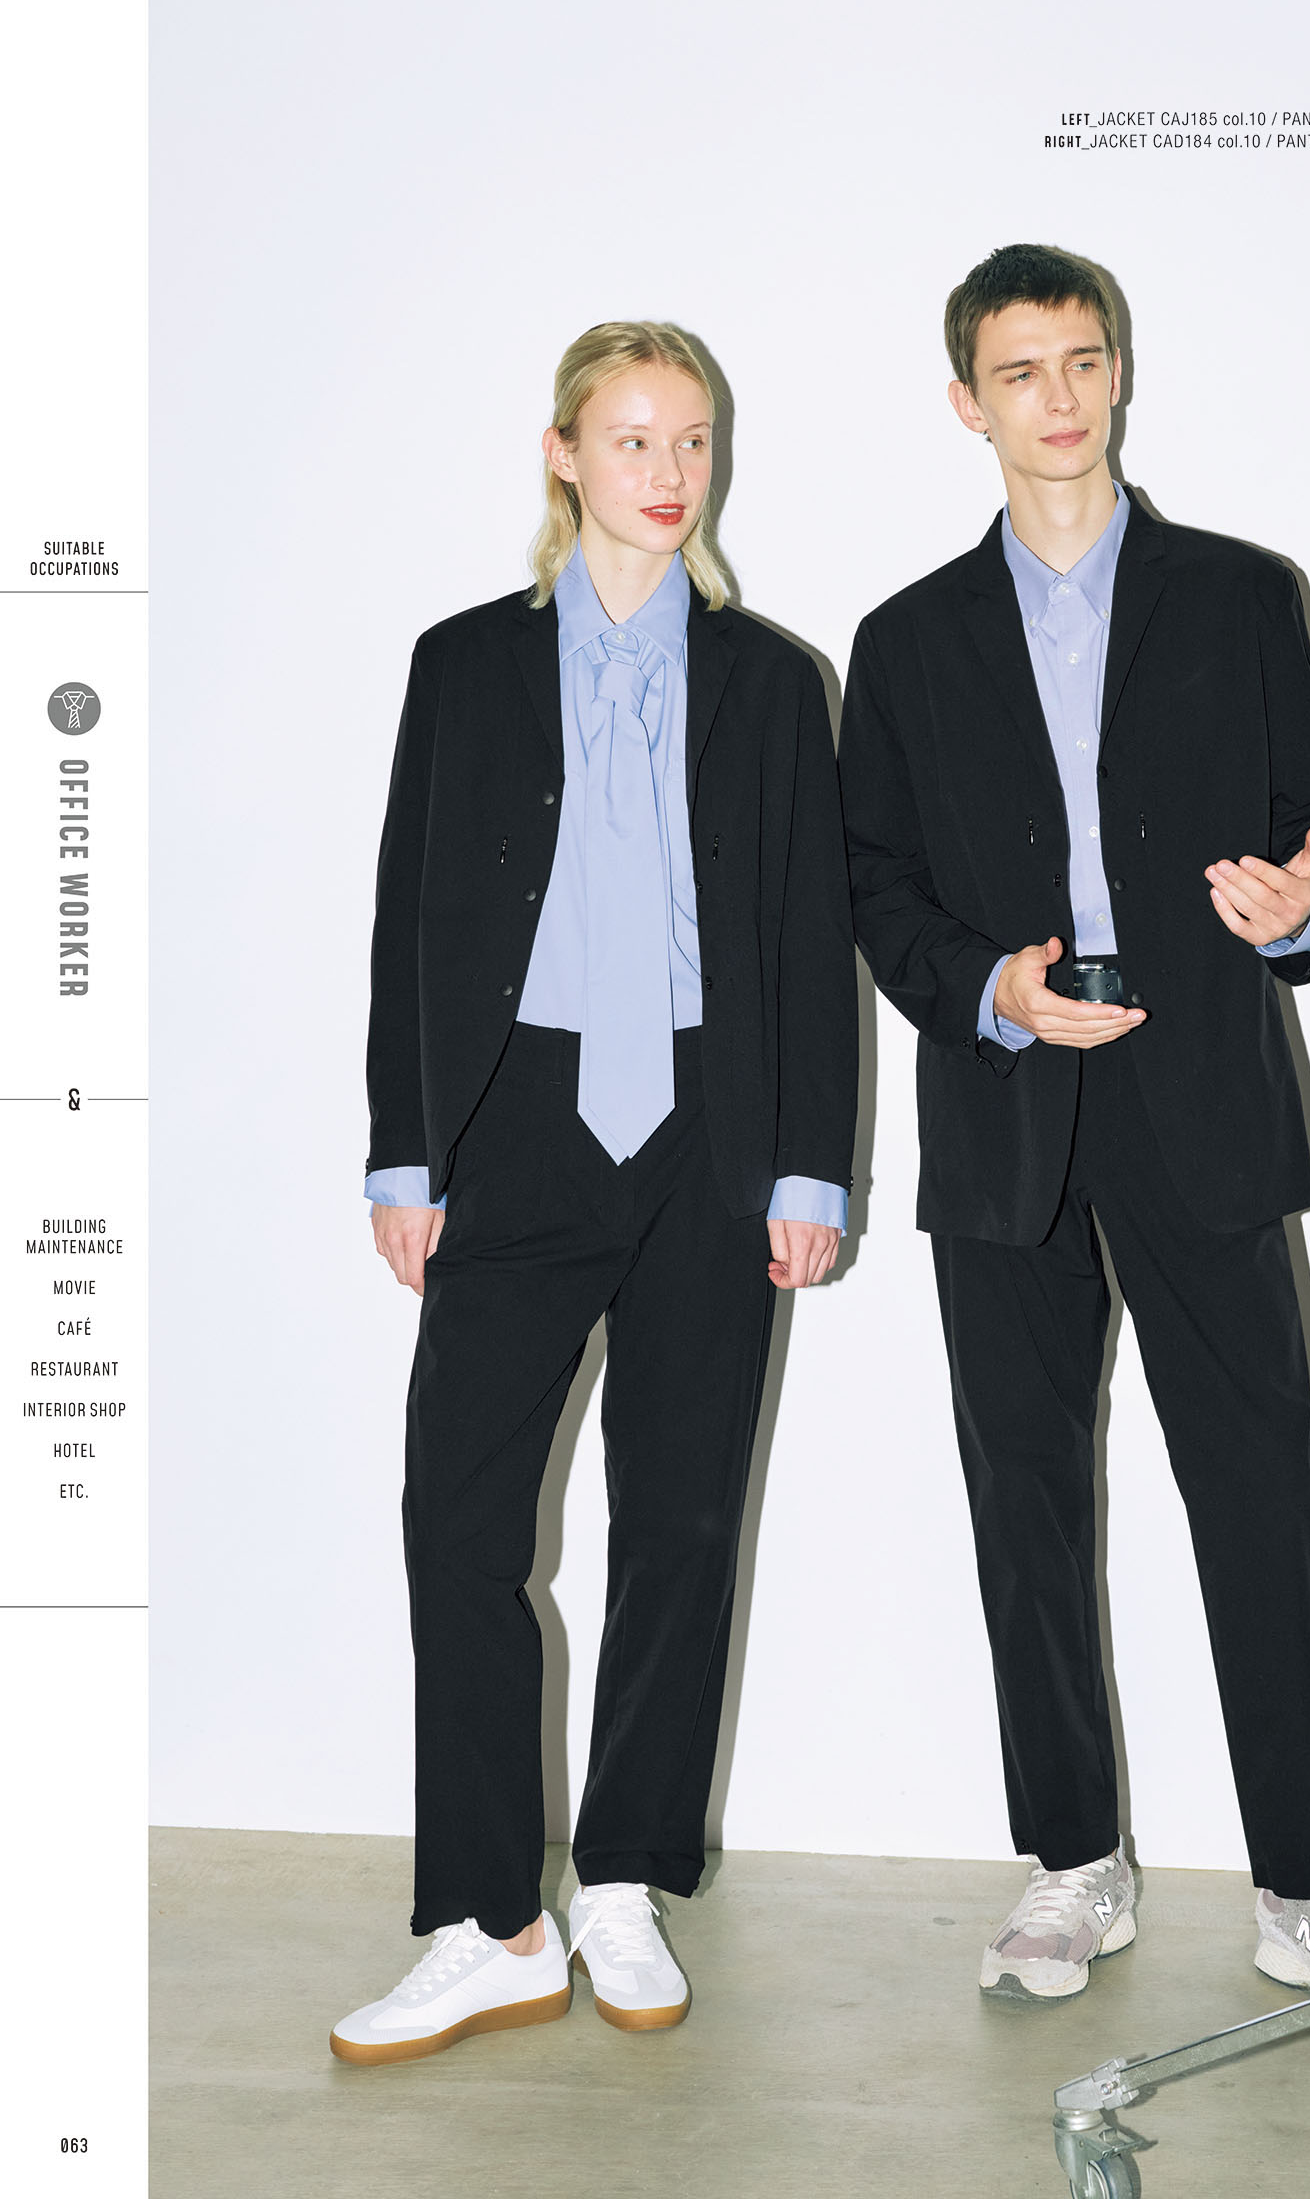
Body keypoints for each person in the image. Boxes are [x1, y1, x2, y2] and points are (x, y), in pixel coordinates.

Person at [837, 244, 1310, 2021]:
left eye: (1082, 360)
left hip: (1199, 1101)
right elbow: (873, 887)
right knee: (1023, 1499)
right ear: (967, 403)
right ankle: (1071, 1862)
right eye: (1020, 370)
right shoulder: (905, 638)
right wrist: (989, 987)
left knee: (1262, 1491)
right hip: (1007, 1106)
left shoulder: (1239, 594)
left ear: (1117, 372)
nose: (1060, 396)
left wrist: (1298, 910)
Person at [331, 322, 858, 2064]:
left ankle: (624, 1878)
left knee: (683, 1520)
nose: (666, 469)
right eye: (630, 438)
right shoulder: (465, 663)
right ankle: (491, 1920)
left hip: (715, 1126)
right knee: (459, 1524)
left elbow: (809, 937)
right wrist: (406, 1148)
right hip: (519, 1122)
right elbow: (410, 912)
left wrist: (808, 1163)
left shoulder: (772, 681)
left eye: (690, 438)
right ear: (562, 453)